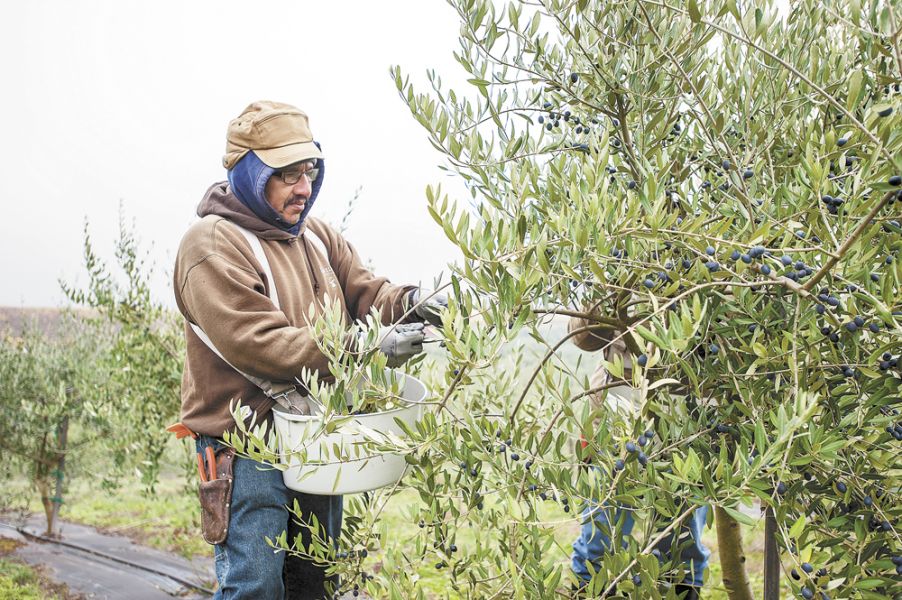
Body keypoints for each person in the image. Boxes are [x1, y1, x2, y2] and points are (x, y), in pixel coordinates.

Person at [173, 100, 445, 600]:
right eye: (287, 175)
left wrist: (415, 303)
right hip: (246, 444)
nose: (304, 187)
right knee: (255, 587)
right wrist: (364, 346)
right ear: (250, 174)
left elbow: (367, 292)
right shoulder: (211, 244)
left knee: (314, 582)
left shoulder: (315, 236)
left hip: (316, 433)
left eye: (310, 172)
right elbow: (260, 343)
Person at [568, 312, 709, 599]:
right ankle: (589, 590)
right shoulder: (620, 276)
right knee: (600, 531)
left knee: (682, 536)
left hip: (683, 415)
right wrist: (605, 305)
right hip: (616, 411)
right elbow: (580, 338)